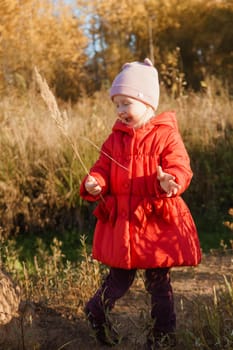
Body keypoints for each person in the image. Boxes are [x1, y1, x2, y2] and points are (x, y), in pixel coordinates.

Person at [79, 58, 201, 349]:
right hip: (124, 223)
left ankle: (162, 336)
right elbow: (102, 168)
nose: (120, 111)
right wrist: (95, 182)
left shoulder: (166, 135)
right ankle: (96, 312)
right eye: (117, 105)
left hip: (154, 222)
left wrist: (170, 180)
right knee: (118, 278)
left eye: (126, 103)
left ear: (147, 103)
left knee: (159, 283)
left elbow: (180, 166)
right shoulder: (114, 139)